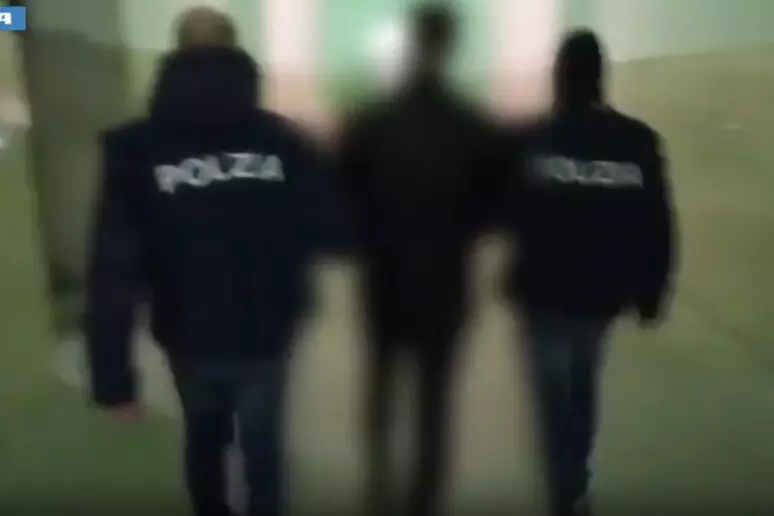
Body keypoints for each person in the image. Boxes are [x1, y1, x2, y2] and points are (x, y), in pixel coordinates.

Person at [84, 45, 346, 516]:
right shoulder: (285, 143)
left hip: (189, 333)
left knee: (204, 441)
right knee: (264, 446)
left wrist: (114, 382)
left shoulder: (137, 151)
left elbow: (113, 271)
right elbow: (335, 233)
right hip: (266, 331)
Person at [500, 30, 677, 516]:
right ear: (601, 78)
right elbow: (657, 222)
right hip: (600, 296)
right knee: (582, 382)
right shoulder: (637, 142)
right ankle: (575, 480)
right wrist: (653, 290)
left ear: (558, 78)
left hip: (544, 295)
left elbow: (506, 212)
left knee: (554, 395)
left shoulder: (532, 140)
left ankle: (565, 488)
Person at [336, 5, 501, 516]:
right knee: (435, 400)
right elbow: (491, 210)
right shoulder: (472, 126)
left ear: (412, 44)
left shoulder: (371, 120)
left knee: (382, 388)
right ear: (450, 47)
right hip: (446, 284)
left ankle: (380, 489)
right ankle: (423, 500)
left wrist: (369, 239)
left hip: (384, 281)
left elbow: (344, 199)